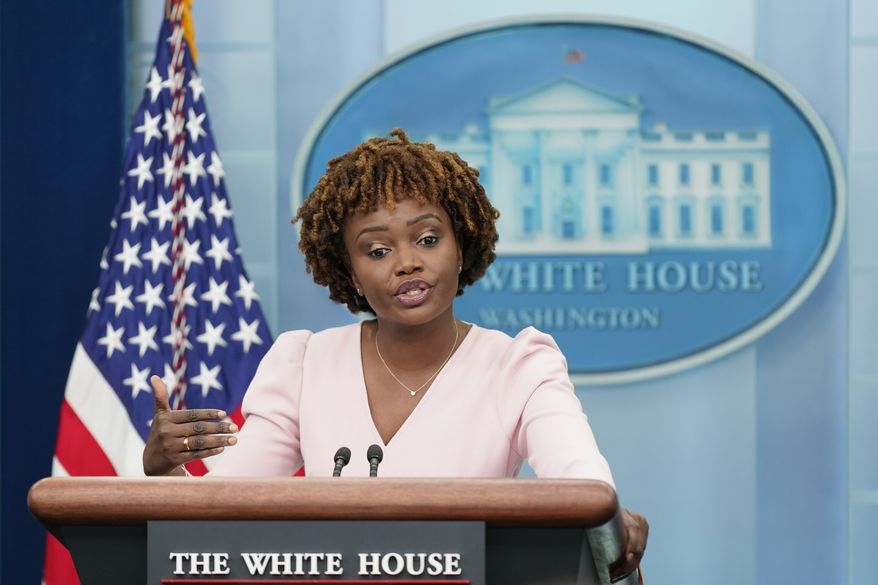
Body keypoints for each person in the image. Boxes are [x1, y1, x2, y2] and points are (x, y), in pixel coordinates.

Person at [143, 128, 648, 579]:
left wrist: (607, 516)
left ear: (462, 241)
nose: (407, 263)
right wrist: (166, 469)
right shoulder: (304, 364)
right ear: (348, 268)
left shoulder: (518, 367)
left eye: (428, 239)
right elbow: (224, 510)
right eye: (377, 250)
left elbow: (580, 483)